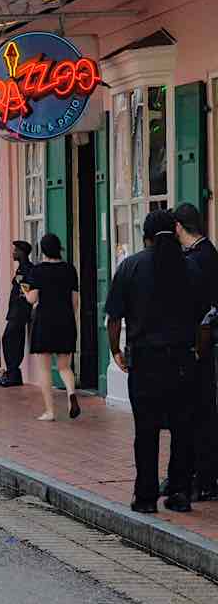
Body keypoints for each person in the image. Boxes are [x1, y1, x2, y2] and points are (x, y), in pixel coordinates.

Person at [106, 209, 206, 514]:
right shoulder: (190, 268)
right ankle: (179, 492)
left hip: (146, 361)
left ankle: (146, 496)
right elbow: (203, 320)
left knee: (145, 431)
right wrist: (197, 351)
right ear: (175, 232)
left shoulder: (130, 267)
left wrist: (116, 351)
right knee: (182, 428)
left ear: (146, 236)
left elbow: (114, 318)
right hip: (181, 360)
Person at [176, 202, 218, 500]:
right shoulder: (207, 254)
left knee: (198, 413)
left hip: (201, 347)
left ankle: (202, 478)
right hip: (203, 343)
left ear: (179, 226)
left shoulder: (198, 259)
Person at [25, 233, 79, 422]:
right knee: (64, 367)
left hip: (45, 322)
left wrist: (26, 295)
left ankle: (50, 411)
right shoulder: (70, 269)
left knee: (45, 370)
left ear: (43, 250)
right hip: (65, 321)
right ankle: (71, 393)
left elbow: (32, 298)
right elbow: (75, 302)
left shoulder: (38, 271)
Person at [0, 240, 34, 387]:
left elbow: (25, 289)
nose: (13, 253)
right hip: (15, 310)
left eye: (16, 250)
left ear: (22, 253)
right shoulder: (21, 269)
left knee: (10, 339)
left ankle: (13, 373)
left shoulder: (27, 269)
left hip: (20, 310)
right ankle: (13, 374)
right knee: (10, 340)